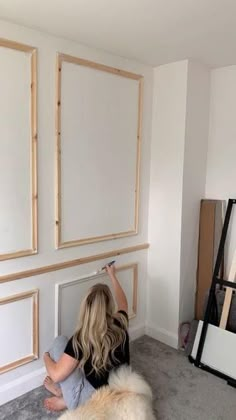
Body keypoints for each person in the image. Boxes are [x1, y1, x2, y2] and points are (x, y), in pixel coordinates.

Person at [43, 264, 130, 412]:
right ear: (109, 306)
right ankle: (65, 395)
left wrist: (45, 357)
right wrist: (112, 275)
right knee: (71, 359)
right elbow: (123, 302)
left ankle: (64, 397)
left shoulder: (82, 337)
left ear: (85, 307)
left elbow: (56, 375)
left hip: (91, 401)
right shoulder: (120, 322)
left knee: (59, 342)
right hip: (120, 391)